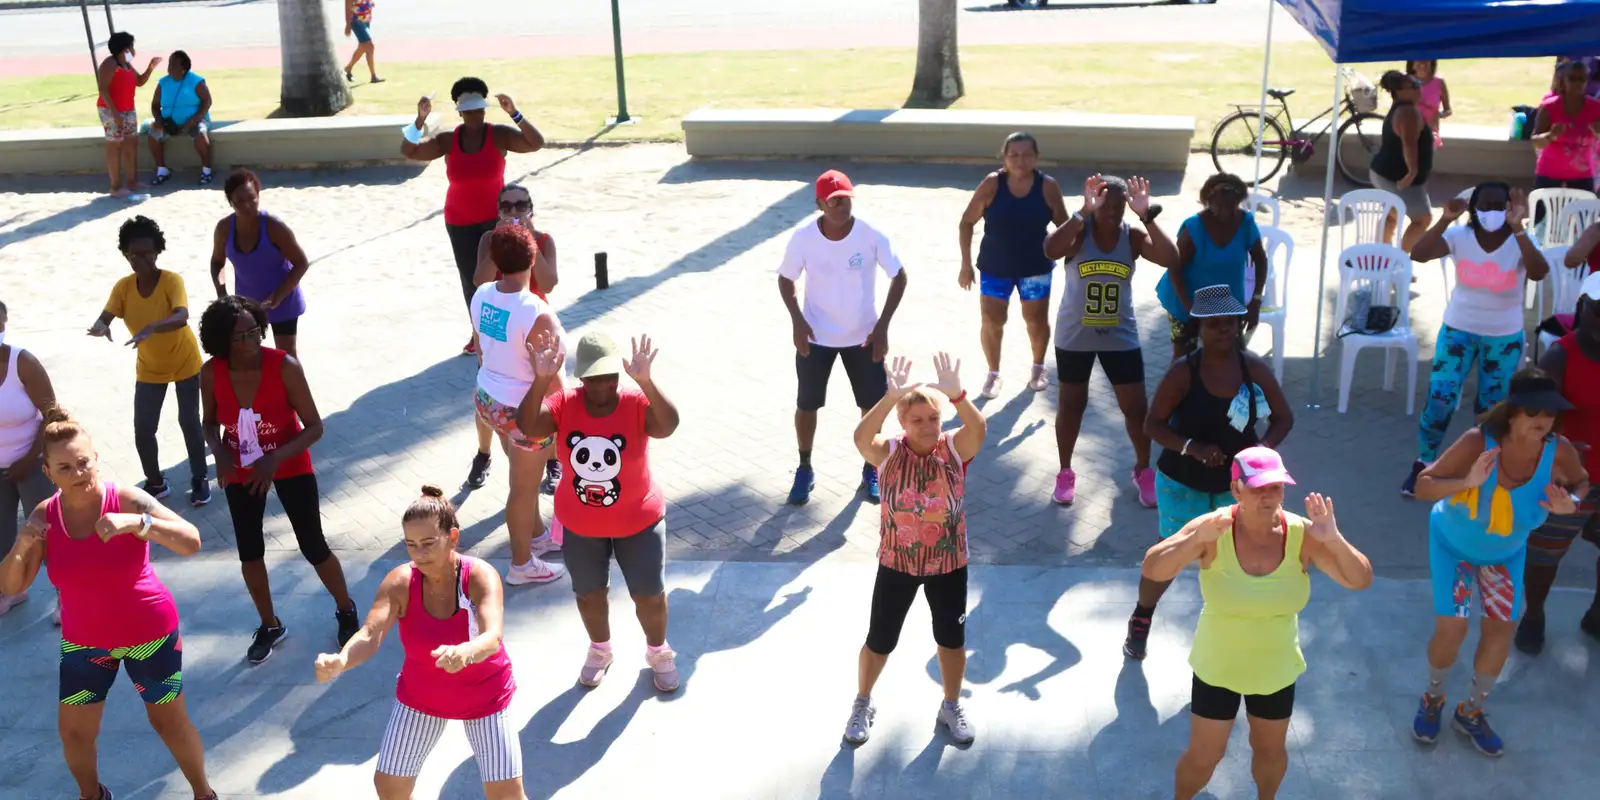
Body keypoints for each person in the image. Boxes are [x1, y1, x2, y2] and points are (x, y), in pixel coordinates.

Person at [0, 407, 216, 800]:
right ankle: (92, 796)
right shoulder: (44, 517)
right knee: (75, 733)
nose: (77, 473)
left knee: (168, 722)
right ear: (47, 473)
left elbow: (191, 540)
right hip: (85, 645)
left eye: (83, 463)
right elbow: (12, 584)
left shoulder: (128, 500)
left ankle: (204, 794)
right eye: (64, 467)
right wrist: (24, 541)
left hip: (148, 636)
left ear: (95, 459)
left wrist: (136, 524)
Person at [1142, 448, 1373, 800]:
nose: (1268, 496)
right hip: (1219, 665)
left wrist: (1334, 539)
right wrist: (1195, 540)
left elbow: (1359, 580)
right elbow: (1153, 568)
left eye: (1276, 488)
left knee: (1270, 753)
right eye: (1257, 488)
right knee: (1205, 758)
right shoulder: (1213, 527)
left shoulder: (1303, 534)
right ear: (1236, 490)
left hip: (1275, 667)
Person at [1408, 369, 1588, 757]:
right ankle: (1433, 697)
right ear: (1513, 412)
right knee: (1453, 629)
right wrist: (1467, 482)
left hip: (1505, 554)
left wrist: (1570, 504)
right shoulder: (1478, 442)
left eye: (1551, 412)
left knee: (1500, 633)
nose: (1545, 420)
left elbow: (1581, 482)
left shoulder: (1559, 451)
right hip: (1453, 546)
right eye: (1535, 412)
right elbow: (1423, 486)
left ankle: (1471, 711)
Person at [314, 486, 522, 800]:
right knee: (390, 786)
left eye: (428, 543)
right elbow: (370, 634)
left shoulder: (479, 575)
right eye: (411, 545)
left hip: (485, 697)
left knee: (506, 794)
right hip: (422, 697)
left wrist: (466, 652)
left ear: (453, 537)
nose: (419, 554)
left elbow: (492, 637)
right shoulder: (400, 581)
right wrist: (342, 661)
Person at [1123, 285, 1294, 660]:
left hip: (1236, 489)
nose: (1224, 330)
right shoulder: (1183, 372)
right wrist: (1193, 448)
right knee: (1170, 556)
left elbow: (1284, 418)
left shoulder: (1254, 368)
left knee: (1235, 560)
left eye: (1230, 323)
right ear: (1198, 327)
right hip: (1183, 483)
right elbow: (1153, 425)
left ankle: (1232, 627)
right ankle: (1142, 616)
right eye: (1214, 324)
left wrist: (1261, 452)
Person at [516, 331, 683, 692]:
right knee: (590, 594)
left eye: (610, 377)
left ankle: (659, 651)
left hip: (639, 520)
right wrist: (542, 379)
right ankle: (600, 649)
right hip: (580, 524)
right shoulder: (564, 404)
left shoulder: (635, 403)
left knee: (649, 595)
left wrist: (647, 382)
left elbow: (668, 425)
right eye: (595, 378)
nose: (604, 386)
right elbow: (529, 425)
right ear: (582, 378)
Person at [198, 296, 361, 664]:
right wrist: (220, 452)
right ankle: (270, 624)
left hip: (286, 459)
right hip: (240, 463)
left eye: (254, 331)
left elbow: (315, 427)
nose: (250, 341)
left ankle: (346, 608)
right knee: (250, 550)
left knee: (312, 543)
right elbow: (208, 422)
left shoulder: (284, 366)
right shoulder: (211, 373)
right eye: (239, 337)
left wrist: (274, 458)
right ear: (221, 341)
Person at [841, 353, 986, 747]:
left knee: (951, 641)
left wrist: (959, 397)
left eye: (933, 418)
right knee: (880, 640)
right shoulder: (887, 452)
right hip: (897, 564)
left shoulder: (954, 448)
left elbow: (980, 428)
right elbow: (859, 438)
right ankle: (862, 703)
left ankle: (950, 706)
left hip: (949, 564)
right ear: (903, 424)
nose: (927, 427)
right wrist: (890, 398)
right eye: (917, 420)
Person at [1402, 185, 1549, 496]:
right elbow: (1419, 253)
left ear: (1511, 207)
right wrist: (1444, 220)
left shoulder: (1520, 239)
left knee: (1492, 406)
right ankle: (1424, 461)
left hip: (1503, 337)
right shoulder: (1459, 237)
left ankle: (1484, 465)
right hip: (1458, 331)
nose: (1492, 211)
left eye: (1500, 205)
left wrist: (1519, 228)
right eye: (1485, 204)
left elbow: (1539, 272)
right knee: (1440, 397)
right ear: (1473, 207)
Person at [1043, 174, 1178, 507]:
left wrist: (1147, 215)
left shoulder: (1131, 237)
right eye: (1107, 204)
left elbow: (1171, 257)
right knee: (1072, 404)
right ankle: (1065, 472)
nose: (1114, 212)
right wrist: (1081, 214)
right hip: (1075, 335)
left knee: (1135, 407)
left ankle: (1144, 470)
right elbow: (1049, 249)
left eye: (1120, 206)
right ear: (1095, 201)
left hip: (1121, 335)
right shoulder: (1078, 234)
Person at [778, 169, 909, 506]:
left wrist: (882, 326)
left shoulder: (871, 235)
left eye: (846, 199)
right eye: (833, 201)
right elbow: (785, 279)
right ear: (820, 203)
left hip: (863, 339)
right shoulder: (804, 238)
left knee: (871, 406)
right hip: (816, 338)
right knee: (807, 405)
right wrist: (797, 320)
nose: (841, 206)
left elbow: (900, 277)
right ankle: (804, 467)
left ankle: (871, 467)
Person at [400, 77, 545, 356]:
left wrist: (515, 113)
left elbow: (535, 143)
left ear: (484, 110)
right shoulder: (447, 140)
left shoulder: (499, 135)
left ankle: (512, 328)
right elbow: (409, 151)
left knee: (505, 272)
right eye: (469, 111)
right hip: (459, 221)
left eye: (479, 110)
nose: (475, 116)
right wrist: (420, 120)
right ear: (460, 112)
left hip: (497, 219)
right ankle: (478, 332)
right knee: (472, 279)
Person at [87, 216, 210, 506]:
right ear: (126, 255)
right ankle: (155, 482)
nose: (141, 259)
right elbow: (106, 316)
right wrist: (100, 327)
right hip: (150, 367)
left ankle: (199, 477)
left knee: (189, 421)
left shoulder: (171, 281)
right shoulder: (123, 287)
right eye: (134, 254)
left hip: (185, 361)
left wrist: (153, 327)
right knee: (143, 427)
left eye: (147, 253)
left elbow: (181, 316)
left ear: (157, 252)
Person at [468, 225, 565, 585]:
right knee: (523, 490)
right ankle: (522, 564)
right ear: (532, 259)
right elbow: (551, 374)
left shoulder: (480, 295)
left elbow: (480, 346)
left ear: (494, 259)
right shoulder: (536, 312)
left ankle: (538, 537)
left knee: (523, 477)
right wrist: (568, 410)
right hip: (524, 412)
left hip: (489, 400)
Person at [1517, 273, 1600, 654]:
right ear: (1582, 309)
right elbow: (1531, 417)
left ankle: (1597, 613)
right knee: (1544, 557)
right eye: (1599, 312)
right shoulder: (1559, 357)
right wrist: (1561, 443)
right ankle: (1533, 615)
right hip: (1565, 478)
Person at [466, 184, 563, 495]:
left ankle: (551, 460)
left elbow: (548, 282)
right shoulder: (488, 239)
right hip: (497, 319)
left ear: (531, 207)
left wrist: (529, 242)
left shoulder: (545, 239)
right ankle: (484, 454)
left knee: (545, 395)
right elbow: (480, 279)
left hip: (532, 322)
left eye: (520, 205)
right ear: (498, 211)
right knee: (487, 384)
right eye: (506, 207)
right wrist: (502, 246)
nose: (514, 212)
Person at [956, 132, 1069, 398]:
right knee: (993, 320)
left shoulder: (1047, 186)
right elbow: (966, 222)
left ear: (1037, 157)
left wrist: (1072, 258)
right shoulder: (992, 184)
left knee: (1036, 320)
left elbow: (1065, 227)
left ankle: (1038, 367)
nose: (1020, 160)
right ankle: (993, 373)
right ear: (1004, 157)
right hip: (995, 268)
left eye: (1027, 154)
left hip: (1035, 268)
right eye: (1014, 155)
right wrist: (965, 264)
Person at [1155, 174, 1267, 359]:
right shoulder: (1193, 228)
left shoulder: (1246, 222)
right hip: (1185, 300)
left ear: (1239, 203)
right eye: (1218, 207)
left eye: (1230, 208)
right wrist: (1190, 309)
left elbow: (1261, 261)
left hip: (1227, 303)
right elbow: (1174, 268)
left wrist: (1256, 299)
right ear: (1207, 201)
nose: (1224, 213)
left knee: (1230, 356)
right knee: (1185, 358)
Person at [210, 169, 311, 359]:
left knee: (286, 356)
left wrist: (278, 296)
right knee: (249, 355)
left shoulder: (274, 227)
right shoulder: (224, 228)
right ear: (230, 202)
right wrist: (221, 294)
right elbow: (217, 262)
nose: (247, 205)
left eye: (252, 199)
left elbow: (301, 263)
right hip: (247, 305)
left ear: (258, 196)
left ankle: (295, 389)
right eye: (240, 201)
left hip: (283, 301)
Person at [0, 299, 57, 616]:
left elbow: (51, 413)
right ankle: (10, 589)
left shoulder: (23, 363)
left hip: (33, 461)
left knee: (49, 533)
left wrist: (30, 458)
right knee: (1, 536)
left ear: (4, 320)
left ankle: (67, 594)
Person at [1369, 70, 1436, 253]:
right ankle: (1399, 260)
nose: (1419, 88)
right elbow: (1409, 143)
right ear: (1399, 91)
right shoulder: (1408, 112)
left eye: (1418, 83)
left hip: (1382, 171)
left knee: (1392, 213)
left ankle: (1383, 257)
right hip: (1397, 176)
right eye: (1413, 85)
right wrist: (1412, 173)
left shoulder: (1401, 108)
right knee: (1423, 218)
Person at [95, 32, 160, 198]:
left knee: (131, 144)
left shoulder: (127, 64)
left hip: (128, 110)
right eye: (132, 46)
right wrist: (115, 115)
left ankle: (132, 181)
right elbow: (103, 89)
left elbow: (139, 81)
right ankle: (115, 187)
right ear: (125, 48)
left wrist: (151, 67)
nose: (133, 49)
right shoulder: (110, 64)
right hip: (110, 111)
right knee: (114, 146)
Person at [143, 50, 214, 186]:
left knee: (200, 133)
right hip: (168, 123)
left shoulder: (196, 81)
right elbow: (155, 105)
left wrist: (192, 121)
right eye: (169, 63)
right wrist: (158, 120)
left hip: (195, 120)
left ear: (183, 69)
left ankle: (206, 171)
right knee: (153, 134)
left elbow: (207, 102)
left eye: (173, 64)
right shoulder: (163, 82)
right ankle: (162, 170)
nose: (169, 67)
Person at [1532, 60, 1600, 196]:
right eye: (1572, 78)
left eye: (1581, 79)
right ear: (1564, 81)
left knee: (1583, 217)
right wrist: (1550, 136)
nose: (1577, 83)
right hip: (1549, 175)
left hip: (1582, 177)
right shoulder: (1549, 107)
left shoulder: (1596, 108)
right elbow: (1535, 141)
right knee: (1544, 216)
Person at [1407, 59, 1452, 149]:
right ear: (1412, 63)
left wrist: (1437, 115)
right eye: (1419, 59)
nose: (1422, 62)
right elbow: (1397, 109)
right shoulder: (1405, 81)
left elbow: (1448, 110)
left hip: (1430, 135)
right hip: (1407, 135)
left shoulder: (1439, 82)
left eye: (1427, 59)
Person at [343, 0, 383, 84]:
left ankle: (348, 69)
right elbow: (348, 9)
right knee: (370, 46)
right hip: (356, 20)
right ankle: (373, 76)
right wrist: (348, 25)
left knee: (362, 47)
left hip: (366, 21)